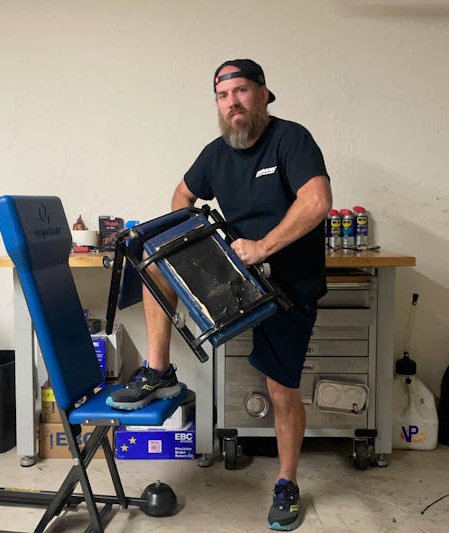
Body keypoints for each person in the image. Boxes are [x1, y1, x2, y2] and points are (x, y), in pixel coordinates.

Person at [108, 59, 332, 531]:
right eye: (223, 96)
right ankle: (158, 372)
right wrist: (199, 248)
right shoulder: (214, 154)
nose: (233, 102)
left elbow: (316, 201)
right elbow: (181, 197)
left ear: (263, 95)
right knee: (153, 259)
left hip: (288, 284)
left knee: (281, 391)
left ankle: (287, 482)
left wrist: (262, 247)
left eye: (242, 91)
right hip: (238, 276)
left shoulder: (291, 140)